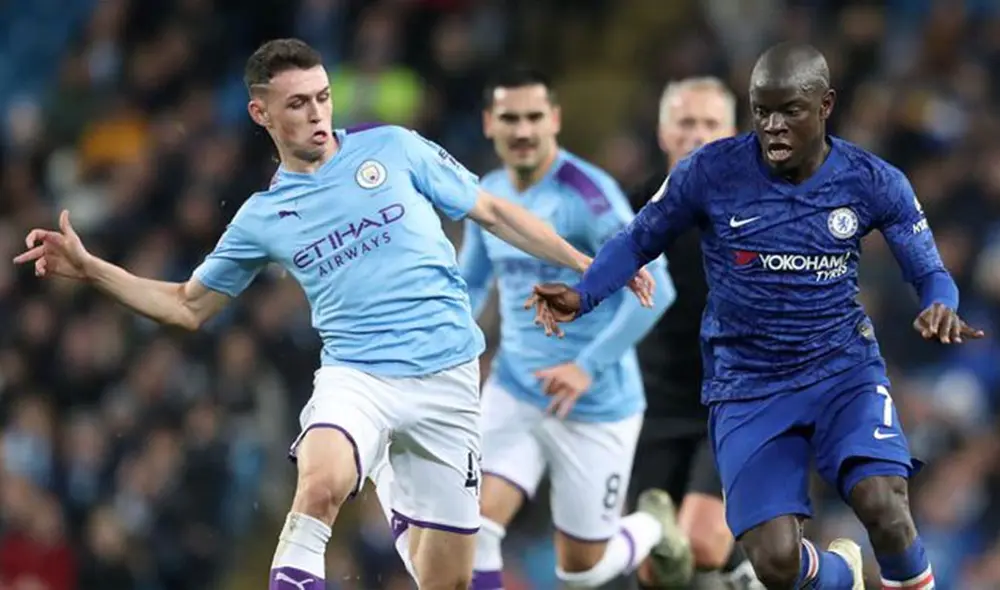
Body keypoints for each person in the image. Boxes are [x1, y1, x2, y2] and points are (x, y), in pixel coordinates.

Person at [13, 39, 652, 590]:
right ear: (261, 113)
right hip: (358, 378)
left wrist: (591, 263)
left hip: (450, 379)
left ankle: (402, 507)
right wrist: (94, 269)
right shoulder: (262, 218)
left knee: (448, 579)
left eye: (322, 97)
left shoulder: (397, 149)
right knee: (320, 484)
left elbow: (493, 211)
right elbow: (187, 305)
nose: (318, 113)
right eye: (298, 104)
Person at [526, 42, 983, 590]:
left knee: (884, 505)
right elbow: (637, 239)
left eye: (790, 110)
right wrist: (584, 294)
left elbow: (928, 269)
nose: (773, 126)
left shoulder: (873, 180)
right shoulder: (710, 171)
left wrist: (942, 303)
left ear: (826, 105)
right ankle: (843, 573)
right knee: (774, 564)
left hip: (843, 372)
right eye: (762, 110)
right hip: (748, 386)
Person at [459, 67, 684, 590]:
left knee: (581, 571)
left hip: (597, 403)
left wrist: (586, 367)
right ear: (490, 124)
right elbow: (470, 284)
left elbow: (659, 290)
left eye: (534, 117)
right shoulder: (487, 194)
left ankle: (652, 525)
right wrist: (445, 353)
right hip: (516, 389)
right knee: (471, 527)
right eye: (510, 118)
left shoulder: (588, 195)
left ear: (554, 120)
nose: (523, 130)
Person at [625, 77, 762, 589]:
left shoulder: (764, 210)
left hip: (732, 403)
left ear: (731, 135)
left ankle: (760, 570)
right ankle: (742, 578)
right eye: (686, 123)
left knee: (702, 542)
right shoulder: (628, 208)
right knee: (655, 568)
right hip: (653, 406)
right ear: (664, 132)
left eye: (710, 124)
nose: (697, 135)